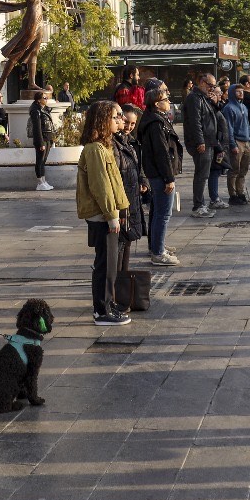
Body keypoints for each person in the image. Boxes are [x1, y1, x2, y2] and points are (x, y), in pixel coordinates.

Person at [77, 100, 132, 327]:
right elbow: (101, 186)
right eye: (115, 116)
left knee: (110, 264)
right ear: (102, 120)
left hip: (109, 213)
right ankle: (101, 310)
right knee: (105, 264)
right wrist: (112, 215)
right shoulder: (95, 149)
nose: (120, 120)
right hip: (102, 215)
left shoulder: (104, 147)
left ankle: (108, 304)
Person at [137, 85, 183, 266]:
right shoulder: (155, 123)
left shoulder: (155, 119)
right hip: (160, 174)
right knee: (163, 214)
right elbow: (162, 152)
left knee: (158, 212)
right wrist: (169, 178)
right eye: (165, 99)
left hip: (157, 172)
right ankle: (158, 252)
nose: (169, 102)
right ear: (157, 104)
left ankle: (158, 245)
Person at [115, 106, 149, 283]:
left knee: (127, 244)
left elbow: (137, 166)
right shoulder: (113, 143)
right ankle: (115, 289)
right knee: (118, 249)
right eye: (126, 122)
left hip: (132, 199)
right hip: (121, 202)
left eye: (133, 123)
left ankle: (122, 288)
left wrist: (143, 182)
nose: (128, 126)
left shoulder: (131, 142)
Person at [183, 74, 219, 219]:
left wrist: (214, 102)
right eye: (210, 85)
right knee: (201, 175)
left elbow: (213, 116)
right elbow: (195, 121)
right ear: (202, 83)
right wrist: (200, 141)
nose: (212, 89)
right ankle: (198, 206)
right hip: (202, 142)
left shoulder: (204, 98)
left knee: (204, 174)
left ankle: (201, 204)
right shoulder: (194, 98)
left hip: (209, 141)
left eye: (214, 86)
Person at [222, 85, 250, 205]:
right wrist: (232, 144)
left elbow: (247, 125)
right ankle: (233, 195)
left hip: (246, 142)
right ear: (232, 93)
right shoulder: (229, 108)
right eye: (238, 92)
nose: (241, 93)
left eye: (242, 91)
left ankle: (240, 192)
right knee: (234, 170)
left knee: (243, 170)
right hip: (237, 141)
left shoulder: (244, 107)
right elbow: (228, 128)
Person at [208, 83, 232, 210]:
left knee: (217, 171)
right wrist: (219, 147)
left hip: (221, 144)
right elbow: (212, 130)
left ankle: (215, 197)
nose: (220, 95)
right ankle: (214, 198)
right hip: (215, 146)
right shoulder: (211, 109)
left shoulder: (218, 107)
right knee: (214, 172)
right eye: (217, 93)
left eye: (220, 92)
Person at [27, 89, 55, 192]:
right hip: (41, 138)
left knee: (44, 161)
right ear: (38, 100)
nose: (46, 99)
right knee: (40, 160)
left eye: (47, 98)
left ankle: (43, 181)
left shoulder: (45, 109)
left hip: (47, 137)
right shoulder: (36, 110)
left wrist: (51, 139)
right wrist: (40, 142)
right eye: (44, 98)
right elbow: (37, 128)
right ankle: (40, 182)